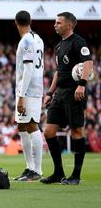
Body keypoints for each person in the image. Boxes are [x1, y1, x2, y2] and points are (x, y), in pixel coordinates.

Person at [41, 12, 93, 185]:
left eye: (58, 22)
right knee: (48, 131)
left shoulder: (78, 42)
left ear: (69, 25)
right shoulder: (59, 46)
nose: (55, 25)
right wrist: (49, 93)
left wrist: (82, 84)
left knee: (77, 131)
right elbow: (58, 72)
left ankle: (76, 176)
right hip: (60, 93)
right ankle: (58, 172)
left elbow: (88, 63)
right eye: (55, 22)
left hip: (74, 91)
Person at [12, 11, 44, 181]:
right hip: (35, 87)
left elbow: (29, 68)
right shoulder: (38, 38)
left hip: (29, 90)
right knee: (22, 126)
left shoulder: (25, 41)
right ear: (30, 21)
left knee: (31, 125)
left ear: (16, 22)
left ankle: (37, 170)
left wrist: (21, 95)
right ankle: (29, 167)